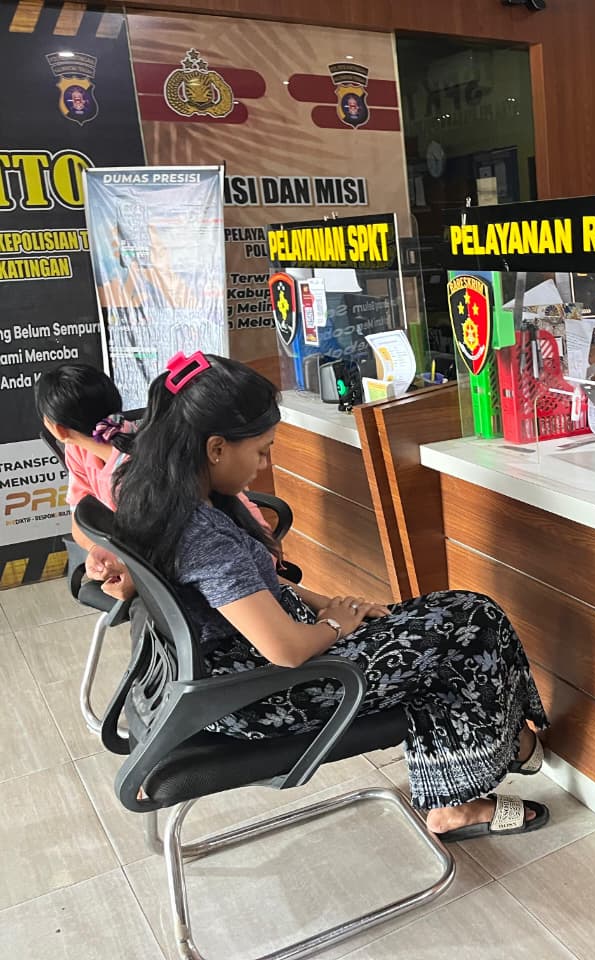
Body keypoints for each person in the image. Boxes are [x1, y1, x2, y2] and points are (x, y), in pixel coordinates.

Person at [111, 351, 551, 838]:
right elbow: (286, 650)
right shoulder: (204, 536)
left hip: (238, 675)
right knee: (468, 630)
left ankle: (502, 747)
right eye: (261, 451)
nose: (265, 464)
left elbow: (249, 587)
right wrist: (336, 624)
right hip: (264, 693)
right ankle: (471, 790)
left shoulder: (154, 491)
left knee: (467, 612)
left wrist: (323, 604)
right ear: (216, 448)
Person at [34, 362, 268, 602]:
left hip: (235, 561)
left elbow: (192, 548)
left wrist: (138, 578)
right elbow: (81, 516)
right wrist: (100, 550)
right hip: (195, 563)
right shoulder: (80, 451)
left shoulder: (139, 475)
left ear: (58, 430)